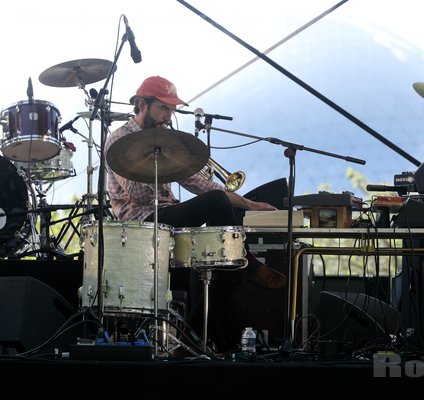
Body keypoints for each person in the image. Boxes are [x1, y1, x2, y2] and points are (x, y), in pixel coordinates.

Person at [104, 75, 287, 290]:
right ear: (143, 105)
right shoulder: (120, 139)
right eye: (163, 108)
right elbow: (140, 197)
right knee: (217, 202)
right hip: (141, 222)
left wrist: (250, 204)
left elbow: (198, 183)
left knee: (228, 206)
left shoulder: (163, 139)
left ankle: (227, 274)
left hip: (166, 212)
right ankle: (248, 265)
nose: (168, 117)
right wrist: (159, 162)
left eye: (171, 110)